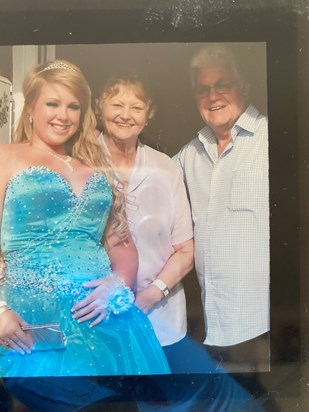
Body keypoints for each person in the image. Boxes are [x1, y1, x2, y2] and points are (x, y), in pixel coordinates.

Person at [0, 59, 170, 409]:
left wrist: (116, 283)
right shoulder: (6, 158)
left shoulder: (94, 167)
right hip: (32, 319)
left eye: (73, 106)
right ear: (31, 107)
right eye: (52, 103)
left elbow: (122, 244)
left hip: (106, 321)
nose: (63, 115)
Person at [95, 73, 266, 412]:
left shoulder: (166, 166)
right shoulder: (79, 161)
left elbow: (185, 249)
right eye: (117, 104)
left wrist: (149, 295)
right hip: (97, 321)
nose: (126, 114)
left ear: (149, 113)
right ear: (99, 108)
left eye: (136, 106)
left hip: (161, 318)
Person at [174, 44, 270, 373]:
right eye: (203, 89)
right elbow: (147, 188)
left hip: (262, 326)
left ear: (244, 86)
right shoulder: (190, 154)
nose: (212, 96)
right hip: (212, 325)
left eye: (222, 85)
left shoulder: (272, 140)